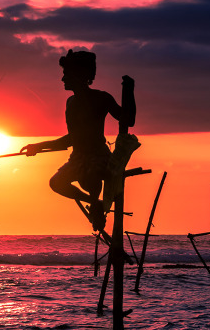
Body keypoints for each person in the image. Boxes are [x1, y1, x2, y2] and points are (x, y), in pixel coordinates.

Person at [21, 49, 135, 231]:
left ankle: (96, 208)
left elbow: (128, 120)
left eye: (67, 74)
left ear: (81, 75)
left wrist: (129, 91)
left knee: (89, 179)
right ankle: (94, 203)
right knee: (56, 183)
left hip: (98, 157)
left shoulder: (101, 98)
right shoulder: (70, 102)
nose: (63, 79)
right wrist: (38, 147)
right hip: (78, 157)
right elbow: (73, 138)